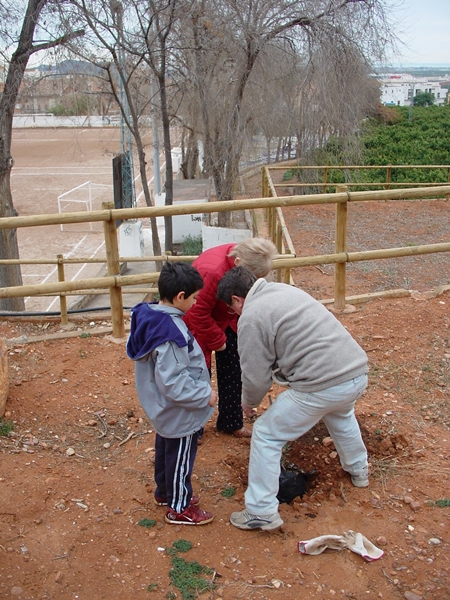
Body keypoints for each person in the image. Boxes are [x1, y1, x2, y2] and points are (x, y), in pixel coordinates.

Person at [217, 266, 369, 531]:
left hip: (322, 385)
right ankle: (359, 471)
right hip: (355, 373)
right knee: (341, 415)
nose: (235, 314)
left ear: (237, 300)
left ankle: (261, 511)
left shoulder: (251, 316)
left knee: (265, 433)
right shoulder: (283, 290)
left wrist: (249, 403)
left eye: (232, 308)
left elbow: (255, 376)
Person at [126, 262, 217, 526]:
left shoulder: (149, 316)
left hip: (161, 406)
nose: (196, 302)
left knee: (166, 449)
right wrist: (204, 395)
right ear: (180, 297)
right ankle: (179, 507)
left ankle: (165, 492)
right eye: (194, 298)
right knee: (180, 455)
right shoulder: (171, 333)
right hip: (179, 410)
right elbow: (174, 382)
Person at [183, 238, 277, 438]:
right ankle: (193, 430)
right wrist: (219, 341)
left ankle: (231, 420)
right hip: (200, 323)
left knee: (236, 368)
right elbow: (197, 312)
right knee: (199, 374)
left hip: (229, 316)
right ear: (238, 264)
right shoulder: (211, 271)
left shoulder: (246, 256)